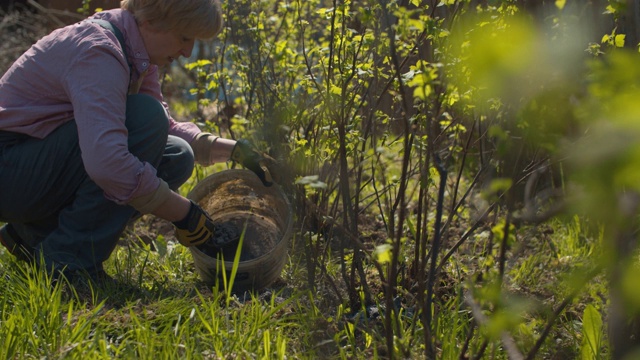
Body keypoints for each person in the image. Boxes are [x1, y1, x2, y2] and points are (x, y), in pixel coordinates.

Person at [0, 0, 273, 282]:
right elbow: (107, 162)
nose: (187, 51)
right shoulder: (99, 52)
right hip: (9, 167)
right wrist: (184, 213)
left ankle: (33, 236)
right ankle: (67, 263)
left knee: (176, 156)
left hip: (29, 166)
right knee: (144, 118)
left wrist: (238, 152)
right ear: (153, 20)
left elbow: (164, 130)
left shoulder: (134, 50)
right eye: (184, 37)